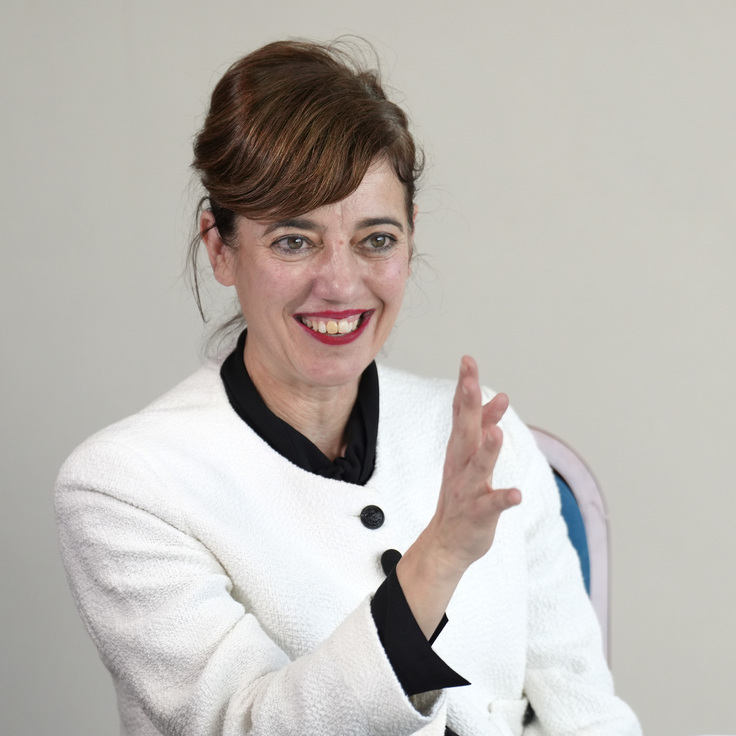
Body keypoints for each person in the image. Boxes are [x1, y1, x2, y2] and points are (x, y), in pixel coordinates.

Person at [55, 39, 641, 736]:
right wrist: (438, 556)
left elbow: (587, 717)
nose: (339, 284)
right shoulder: (126, 485)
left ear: (411, 239)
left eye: (376, 239)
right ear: (219, 247)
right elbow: (244, 725)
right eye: (294, 241)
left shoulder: (488, 439)